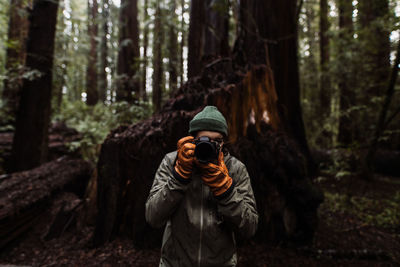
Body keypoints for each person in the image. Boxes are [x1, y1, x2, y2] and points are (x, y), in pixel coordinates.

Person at [145, 106, 258, 267]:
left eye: (217, 141)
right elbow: (152, 216)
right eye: (205, 141)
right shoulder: (172, 162)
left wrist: (226, 191)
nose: (211, 147)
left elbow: (249, 228)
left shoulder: (235, 169)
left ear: (224, 141)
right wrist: (179, 178)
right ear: (192, 140)